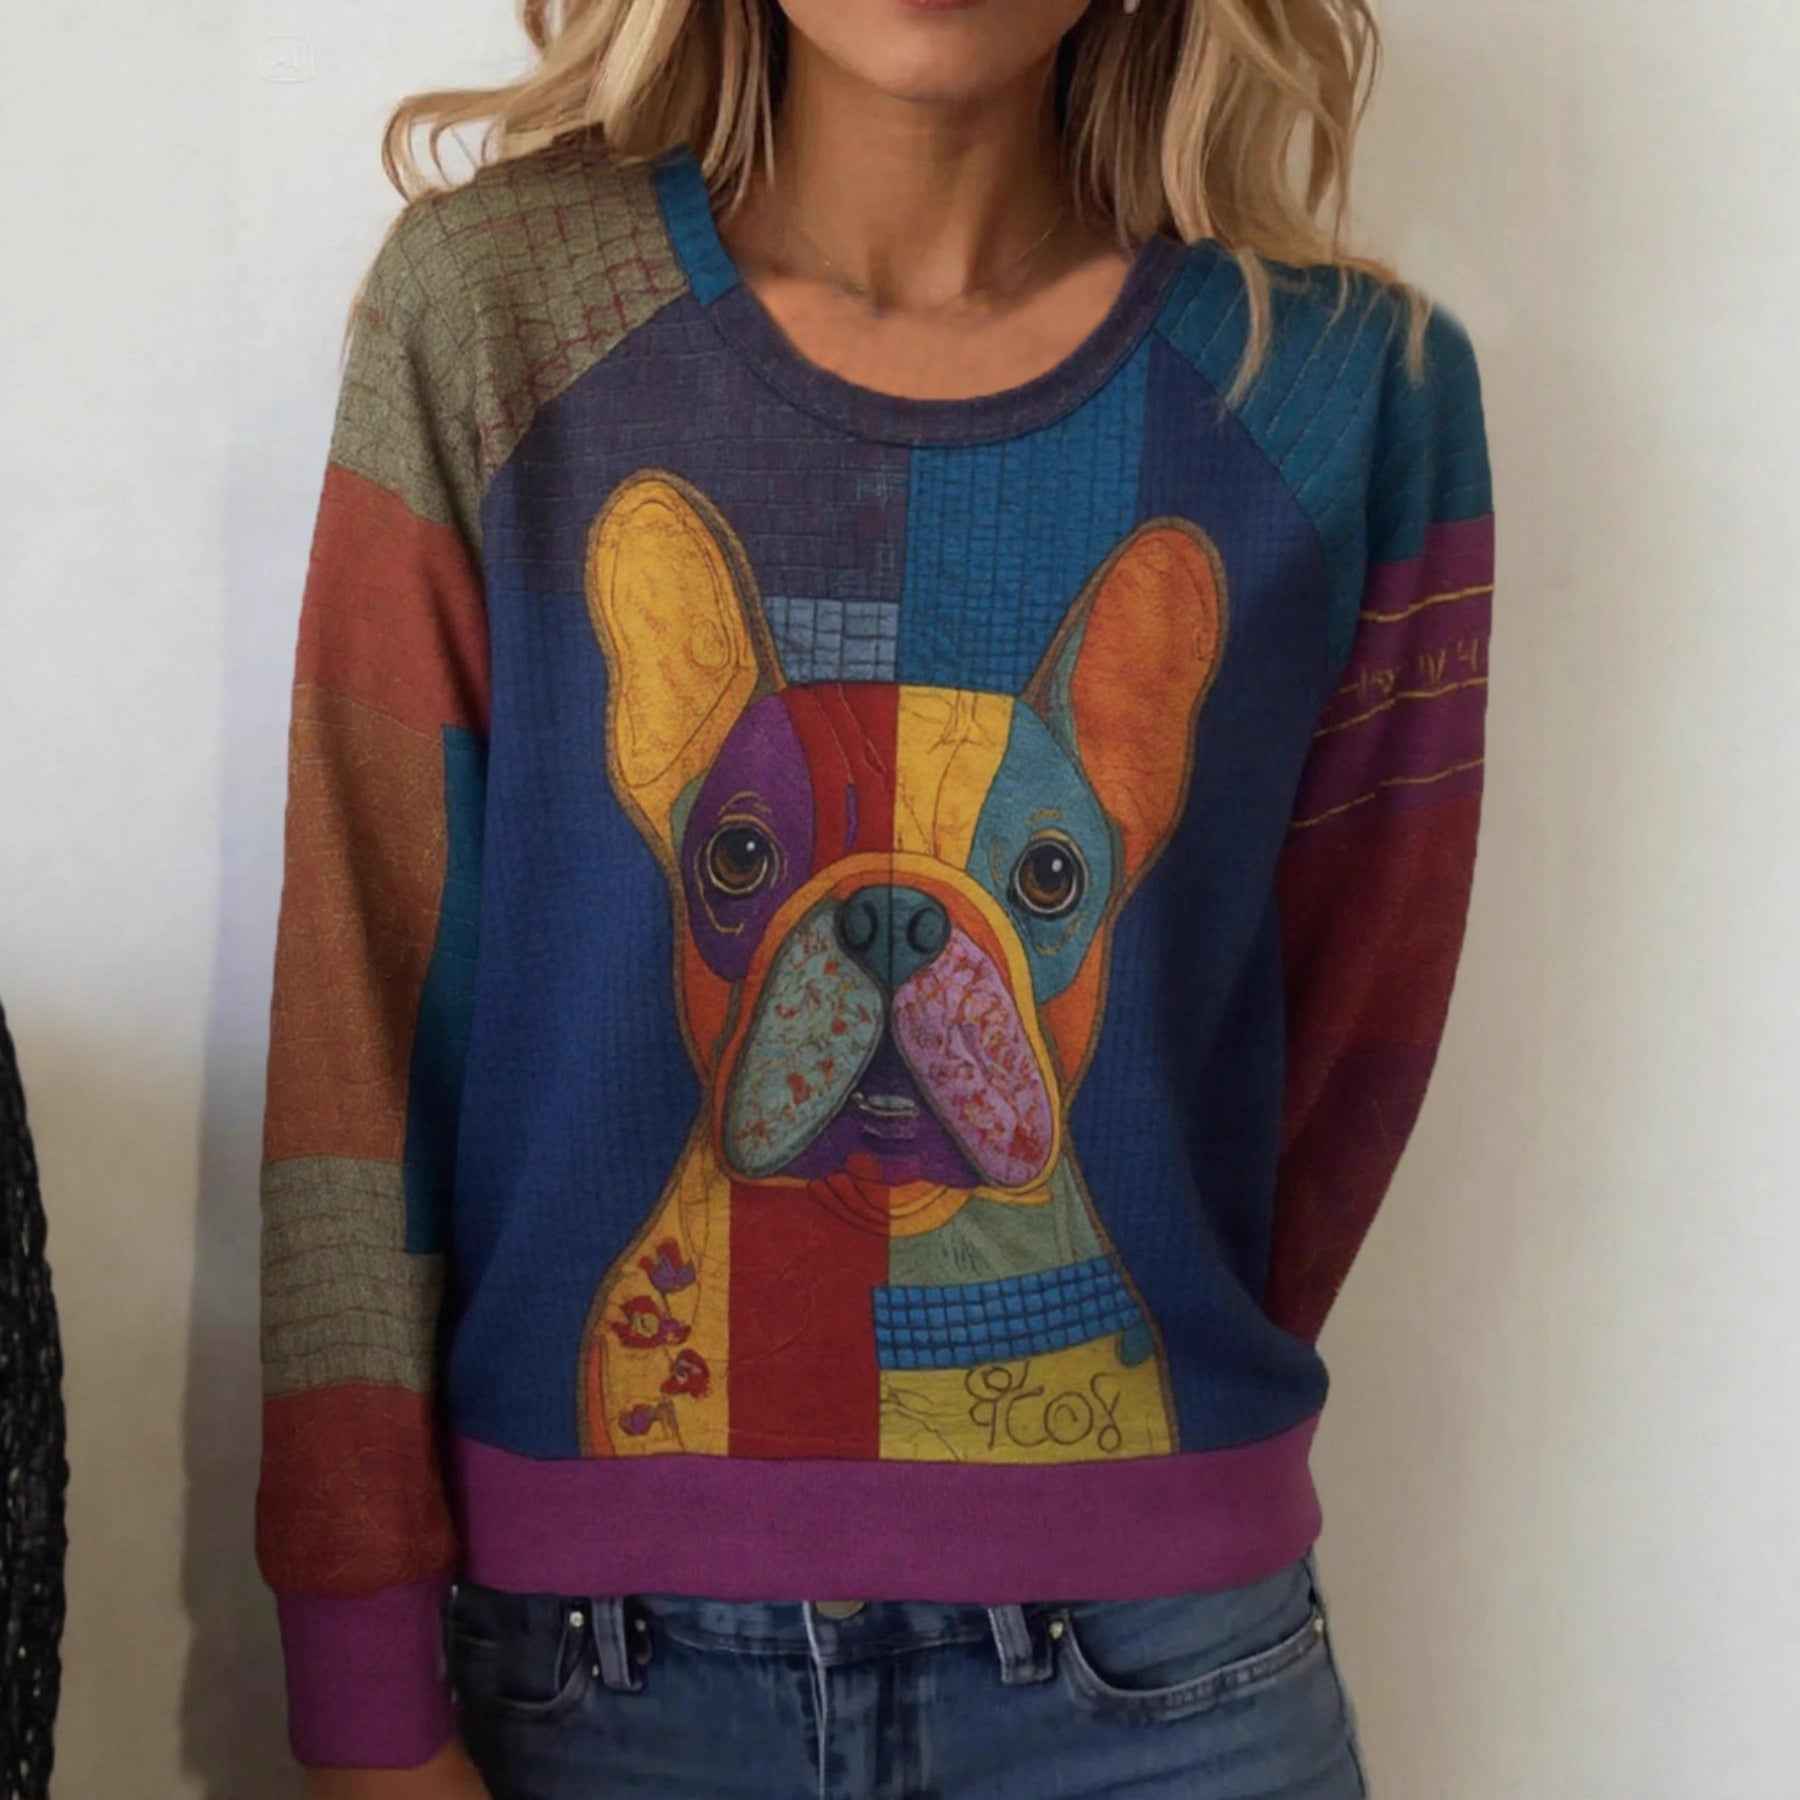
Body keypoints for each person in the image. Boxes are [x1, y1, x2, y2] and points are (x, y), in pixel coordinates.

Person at [255, 1, 1494, 1795]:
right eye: (751, 861)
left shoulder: (1336, 391)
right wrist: (362, 1682)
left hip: (1168, 1673)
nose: (898, 943)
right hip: (602, 1664)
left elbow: (1345, 1034)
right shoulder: (503, 320)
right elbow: (358, 1025)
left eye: (1042, 875)